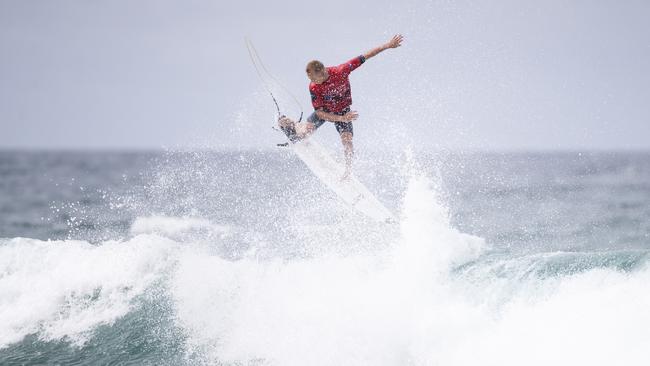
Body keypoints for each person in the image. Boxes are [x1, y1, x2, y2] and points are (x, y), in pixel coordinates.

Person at [279, 34, 404, 179]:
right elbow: (319, 114)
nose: (311, 81)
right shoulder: (314, 87)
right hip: (326, 111)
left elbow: (365, 56)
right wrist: (341, 118)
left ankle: (348, 171)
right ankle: (290, 124)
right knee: (302, 134)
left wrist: (387, 45)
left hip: (343, 110)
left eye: (313, 78)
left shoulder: (341, 71)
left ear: (323, 72)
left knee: (347, 139)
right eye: (310, 79)